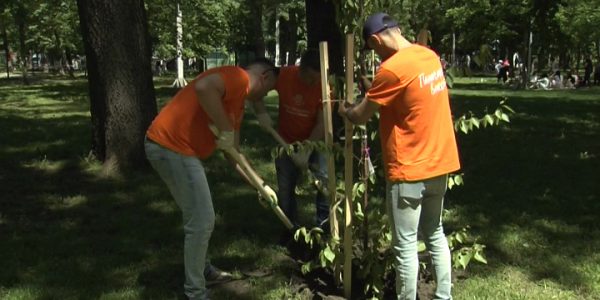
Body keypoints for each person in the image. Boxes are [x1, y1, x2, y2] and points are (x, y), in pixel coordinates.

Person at [339, 12, 460, 300]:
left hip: (409, 170)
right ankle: (444, 296)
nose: (376, 54)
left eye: (373, 48)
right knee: (435, 232)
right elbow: (405, 96)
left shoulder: (391, 69)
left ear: (375, 39)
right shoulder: (427, 56)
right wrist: (372, 88)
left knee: (405, 246)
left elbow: (360, 115)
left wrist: (344, 109)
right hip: (439, 163)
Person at [144, 58, 279, 300]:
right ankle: (195, 293)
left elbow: (233, 155)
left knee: (196, 216)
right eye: (267, 91)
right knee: (203, 219)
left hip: (173, 149)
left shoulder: (237, 103)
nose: (263, 97)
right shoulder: (238, 77)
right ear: (265, 76)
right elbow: (204, 88)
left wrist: (261, 186)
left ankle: (202, 269)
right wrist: (226, 128)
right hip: (171, 146)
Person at [254, 49, 329, 241]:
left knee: (323, 184)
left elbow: (322, 124)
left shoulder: (326, 87)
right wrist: (261, 112)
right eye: (310, 78)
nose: (313, 83)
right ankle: (290, 230)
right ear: (300, 69)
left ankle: (324, 227)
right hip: (285, 140)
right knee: (285, 188)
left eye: (317, 79)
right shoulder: (285, 75)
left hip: (316, 143)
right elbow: (256, 88)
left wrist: (306, 150)